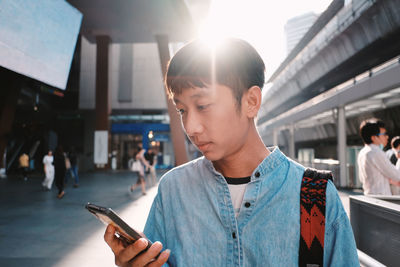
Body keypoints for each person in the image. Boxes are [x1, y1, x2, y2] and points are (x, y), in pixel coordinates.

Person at [104, 38, 359, 266]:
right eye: (182, 110)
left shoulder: (314, 196)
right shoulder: (173, 189)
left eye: (203, 105)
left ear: (251, 102)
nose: (191, 127)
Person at [357, 118, 400, 195]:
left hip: (370, 196)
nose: (387, 137)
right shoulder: (376, 152)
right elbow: (396, 175)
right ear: (374, 137)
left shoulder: (362, 152)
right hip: (381, 198)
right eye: (384, 134)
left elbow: (361, 178)